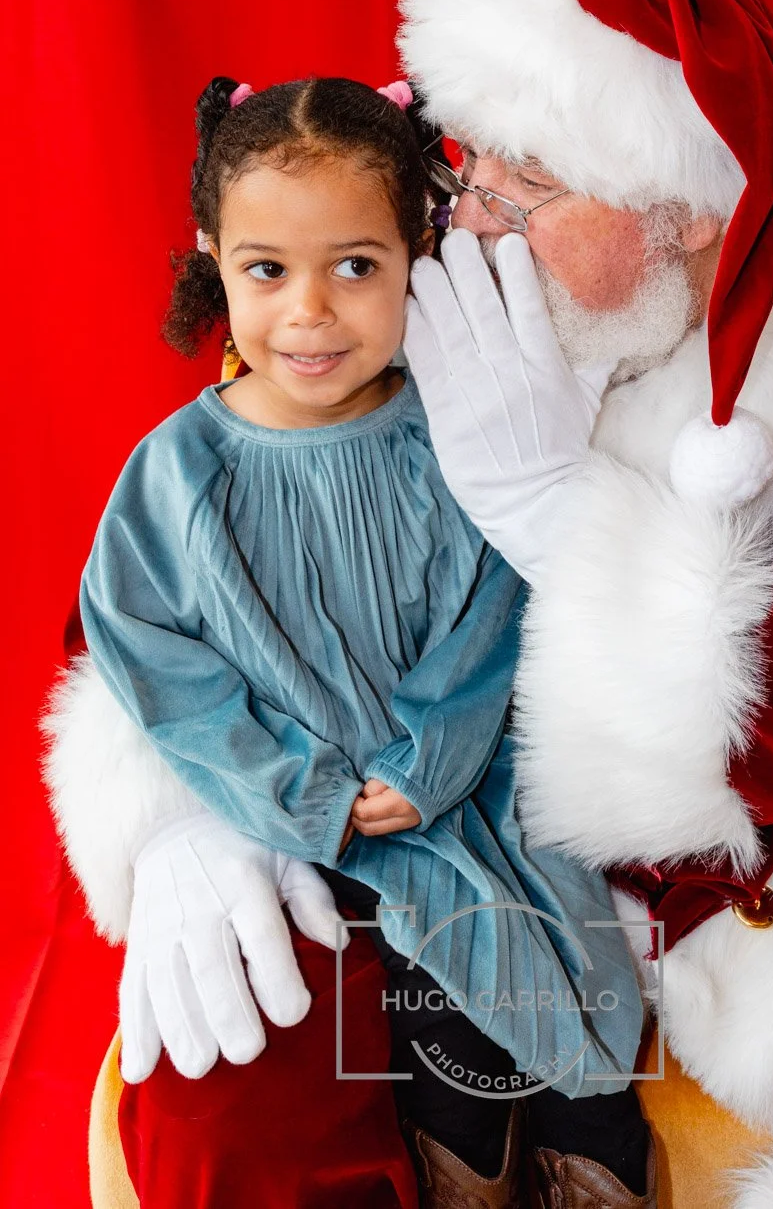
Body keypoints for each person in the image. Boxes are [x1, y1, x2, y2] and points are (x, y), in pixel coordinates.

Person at [42, 0, 773, 1209]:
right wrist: (183, 817)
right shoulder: (411, 274)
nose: (472, 215)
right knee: (218, 1137)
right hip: (398, 827)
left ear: (683, 218)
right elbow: (184, 557)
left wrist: (569, 519)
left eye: (528, 184)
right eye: (467, 161)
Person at [65, 71, 651, 1206]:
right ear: (213, 260)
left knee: (572, 1034)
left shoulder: (453, 435)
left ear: (415, 251)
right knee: (433, 1065)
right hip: (310, 843)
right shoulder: (179, 474)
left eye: (355, 267)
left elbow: (499, 605)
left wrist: (425, 760)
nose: (310, 313)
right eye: (266, 271)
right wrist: (302, 790)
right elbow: (154, 663)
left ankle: (585, 1160)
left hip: (476, 800)